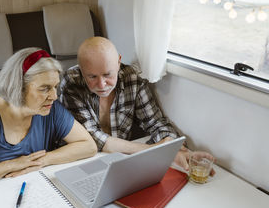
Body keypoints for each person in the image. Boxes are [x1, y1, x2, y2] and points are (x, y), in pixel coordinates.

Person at [0, 48, 97, 201]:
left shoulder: (50, 108)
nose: (54, 96)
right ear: (18, 87)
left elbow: (89, 146)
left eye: (55, 87)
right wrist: (8, 166)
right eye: (44, 89)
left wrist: (41, 160)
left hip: (38, 193)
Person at [59, 36, 215, 172]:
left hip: (122, 160)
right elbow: (93, 138)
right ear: (81, 70)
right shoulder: (72, 82)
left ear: (118, 63)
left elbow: (156, 122)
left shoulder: (132, 78)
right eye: (92, 76)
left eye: (108, 74)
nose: (101, 84)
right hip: (81, 161)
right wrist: (154, 150)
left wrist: (174, 149)